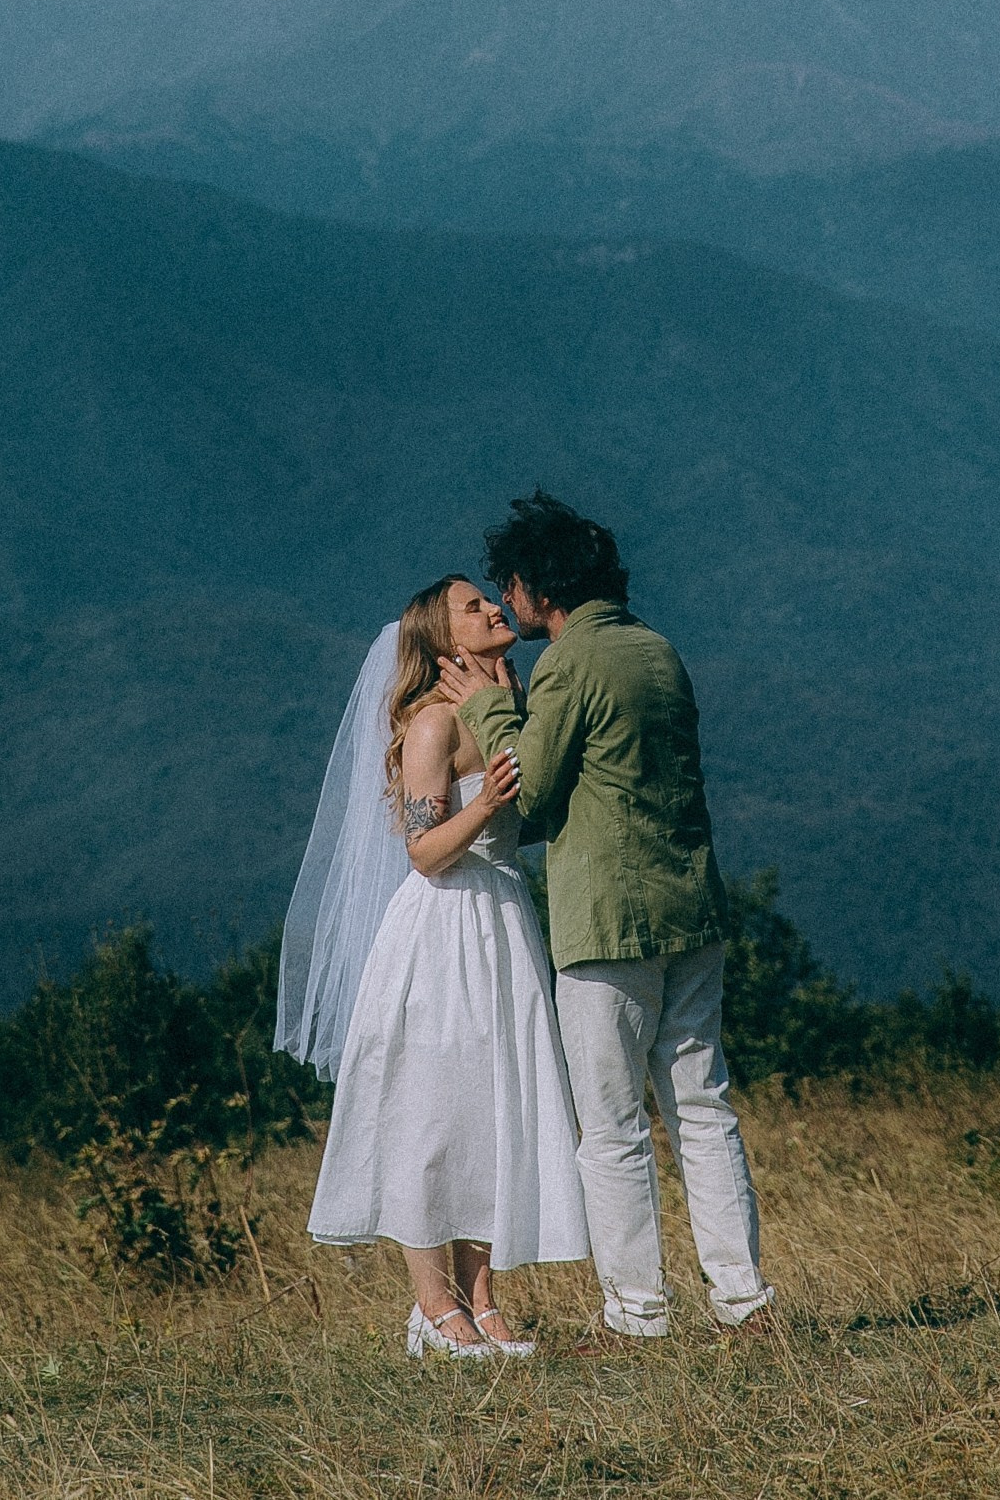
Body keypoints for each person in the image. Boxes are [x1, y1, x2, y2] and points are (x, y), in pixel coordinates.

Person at [442, 492, 773, 1341]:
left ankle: (638, 1310)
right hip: (691, 905)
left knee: (613, 1123)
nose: (505, 602)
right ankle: (742, 1300)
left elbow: (534, 787)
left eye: (507, 587)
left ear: (535, 585)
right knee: (702, 1106)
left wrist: (486, 704)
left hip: (608, 919)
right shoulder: (656, 649)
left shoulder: (568, 663)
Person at [277, 575, 590, 1358]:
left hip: (503, 920)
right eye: (472, 607)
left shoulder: (508, 709)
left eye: (491, 599)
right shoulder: (432, 724)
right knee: (431, 1116)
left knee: (494, 1107)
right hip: (443, 929)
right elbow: (421, 853)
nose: (493, 607)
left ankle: (483, 1298)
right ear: (445, 641)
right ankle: (433, 1305)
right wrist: (483, 806)